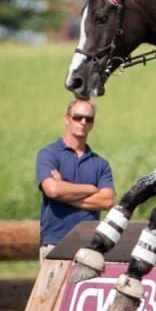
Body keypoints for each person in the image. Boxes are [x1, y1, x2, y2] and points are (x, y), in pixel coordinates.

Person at [36, 99, 115, 260]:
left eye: (88, 119)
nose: (83, 122)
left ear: (92, 124)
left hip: (89, 248)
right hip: (55, 243)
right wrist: (91, 189)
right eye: (77, 117)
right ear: (67, 119)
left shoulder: (100, 163)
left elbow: (107, 201)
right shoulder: (48, 154)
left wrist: (64, 191)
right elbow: (53, 190)